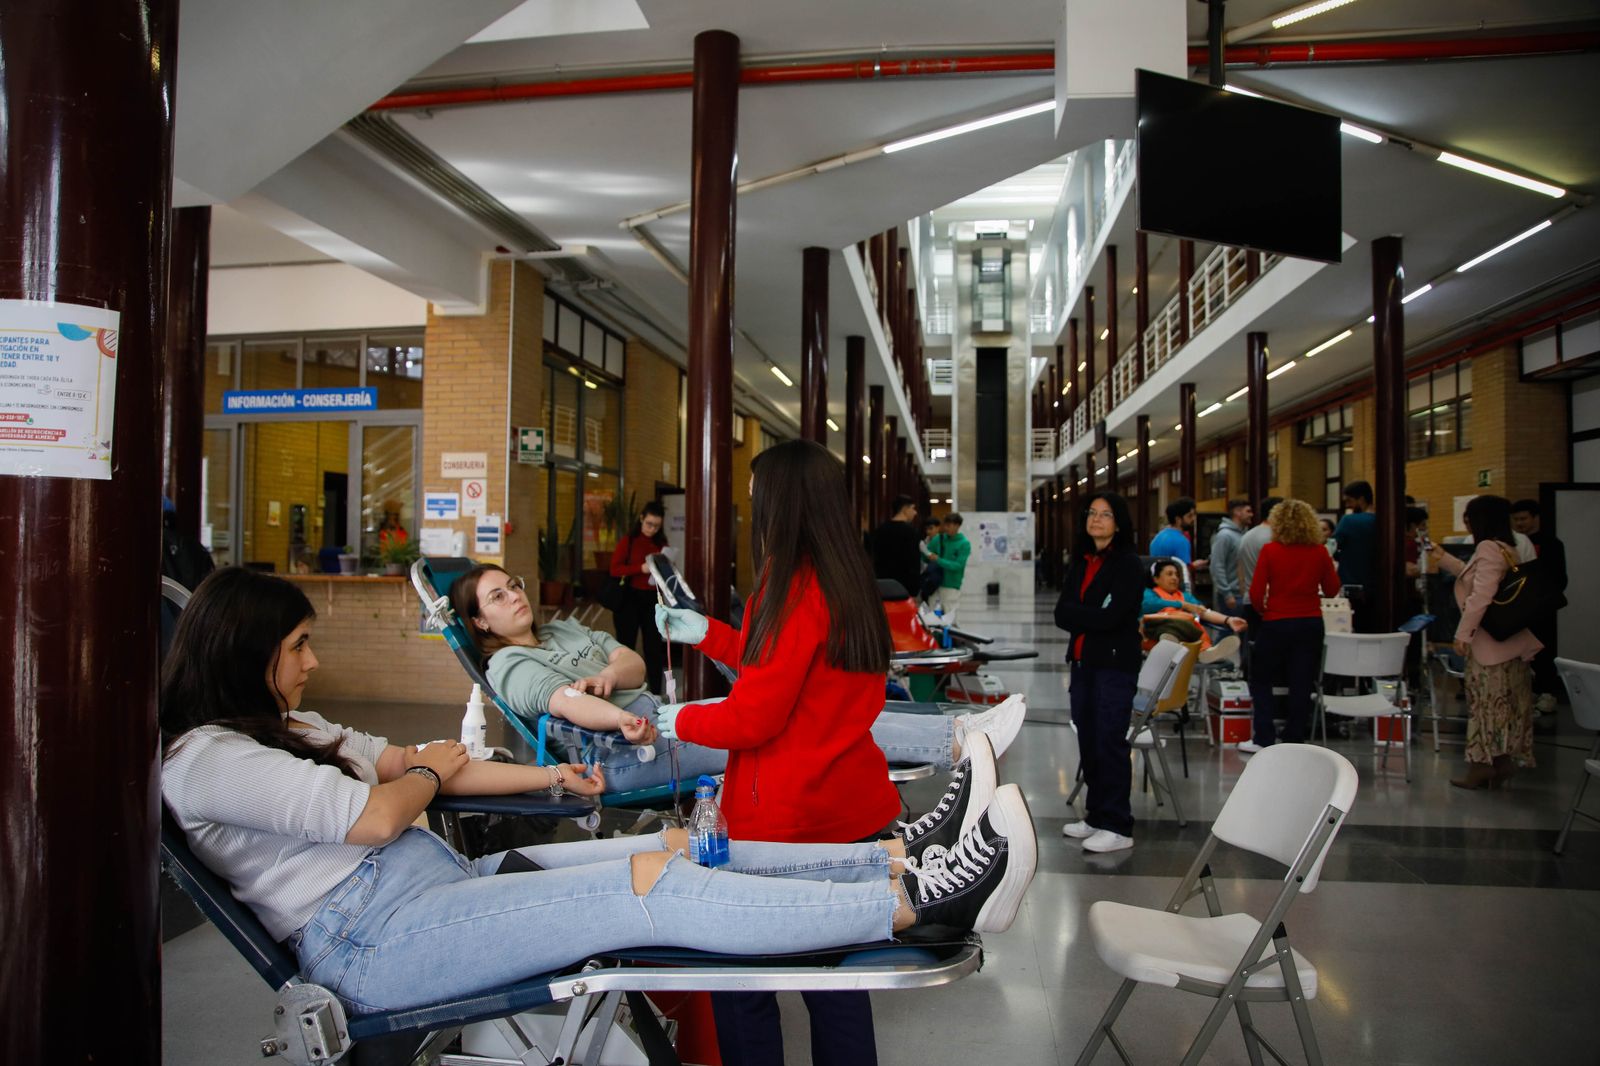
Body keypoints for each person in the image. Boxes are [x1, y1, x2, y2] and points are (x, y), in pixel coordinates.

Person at [159, 567, 1039, 1017]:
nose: (314, 662)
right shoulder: (206, 759)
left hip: (438, 887)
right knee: (647, 891)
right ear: (245, 652)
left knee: (679, 846)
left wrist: (545, 775)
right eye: (298, 646)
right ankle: (917, 909)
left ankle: (899, 860)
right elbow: (385, 807)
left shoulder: (295, 727)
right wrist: (427, 772)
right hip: (374, 942)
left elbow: (406, 765)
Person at [654, 440, 976, 1065]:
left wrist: (682, 719)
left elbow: (755, 715)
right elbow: (783, 664)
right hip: (847, 807)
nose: (751, 505)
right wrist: (710, 634)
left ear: (783, 502)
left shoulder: (792, 586)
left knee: (742, 979)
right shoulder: (844, 577)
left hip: (787, 821)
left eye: (757, 494)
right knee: (838, 984)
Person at [452, 563, 1027, 796]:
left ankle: (958, 734)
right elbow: (566, 705)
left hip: (656, 723)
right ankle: (958, 737)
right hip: (624, 753)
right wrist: (624, 717)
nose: (514, 597)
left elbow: (633, 662)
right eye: (497, 597)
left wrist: (608, 674)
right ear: (480, 622)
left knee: (802, 714)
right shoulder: (509, 666)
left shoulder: (561, 630)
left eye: (514, 585)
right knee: (792, 725)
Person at [1430, 496, 1542, 789]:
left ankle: (1480, 766)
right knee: (1505, 707)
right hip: (1511, 644)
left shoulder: (1488, 548)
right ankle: (1502, 762)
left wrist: (1462, 634)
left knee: (1484, 707)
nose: (1467, 524)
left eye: (1469, 519)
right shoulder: (1508, 548)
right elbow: (1477, 579)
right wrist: (1445, 559)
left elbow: (1481, 595)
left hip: (1489, 646)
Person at [1055, 493, 1145, 854]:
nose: (1096, 519)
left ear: (1118, 523)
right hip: (1082, 664)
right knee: (1089, 740)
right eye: (1092, 513)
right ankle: (1095, 815)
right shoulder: (1082, 561)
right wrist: (1092, 613)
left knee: (1109, 741)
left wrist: (1082, 613)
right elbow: (1061, 613)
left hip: (1114, 666)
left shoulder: (1127, 564)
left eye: (1105, 514)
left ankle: (1118, 824)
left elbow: (1114, 617)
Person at [1242, 500, 1341, 755]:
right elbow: (1332, 589)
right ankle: (1294, 737)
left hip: (1276, 622)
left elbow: (1255, 593)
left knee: (1261, 679)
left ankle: (1264, 737)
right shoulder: (1319, 551)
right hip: (1310, 622)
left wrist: (1265, 611)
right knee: (1302, 682)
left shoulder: (1270, 550)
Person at [1510, 498, 1568, 713]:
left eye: (1523, 518)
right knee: (1522, 649)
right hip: (1520, 607)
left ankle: (1547, 692)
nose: (1520, 523)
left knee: (1544, 648)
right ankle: (1528, 690)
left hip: (1543, 606)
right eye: (1516, 519)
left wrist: (1543, 596)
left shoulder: (1551, 543)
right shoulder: (1512, 543)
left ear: (1535, 518)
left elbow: (1560, 578)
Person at [608, 500, 669, 693]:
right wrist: (640, 569)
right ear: (641, 519)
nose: (652, 529)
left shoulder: (660, 543)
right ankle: (625, 690)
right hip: (629, 598)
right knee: (626, 646)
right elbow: (614, 569)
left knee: (654, 648)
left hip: (652, 597)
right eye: (649, 524)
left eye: (656, 526)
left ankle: (656, 692)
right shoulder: (629, 541)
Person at [1142, 558, 1246, 664]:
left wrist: (1228, 620)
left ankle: (1205, 652)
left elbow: (1204, 612)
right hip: (1155, 636)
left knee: (1192, 623)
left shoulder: (1185, 596)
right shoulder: (1148, 594)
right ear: (1156, 579)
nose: (1175, 578)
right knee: (1176, 618)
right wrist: (1183, 605)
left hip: (1184, 636)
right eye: (1169, 574)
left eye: (1177, 574)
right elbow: (1148, 605)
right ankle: (1175, 645)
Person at [1333, 481, 1376, 631]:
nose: (1347, 506)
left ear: (1361, 499)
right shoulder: (1382, 520)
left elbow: (1333, 547)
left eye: (1349, 501)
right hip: (1377, 586)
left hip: (1351, 584)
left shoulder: (1349, 520)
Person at [868, 494, 924, 599]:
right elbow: (914, 562)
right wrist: (915, 588)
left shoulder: (880, 530)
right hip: (904, 588)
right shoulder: (911, 532)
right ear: (905, 509)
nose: (915, 512)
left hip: (882, 586)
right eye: (913, 508)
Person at [924, 512, 972, 621]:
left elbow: (958, 565)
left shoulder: (964, 544)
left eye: (949, 525)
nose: (945, 528)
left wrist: (938, 560)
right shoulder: (939, 539)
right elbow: (926, 556)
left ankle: (950, 632)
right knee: (932, 617)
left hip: (951, 585)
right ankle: (935, 632)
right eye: (945, 525)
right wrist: (925, 552)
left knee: (950, 617)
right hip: (934, 583)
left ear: (957, 526)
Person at [1209, 498, 1252, 614]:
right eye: (1248, 511)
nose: (1251, 515)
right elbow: (1217, 565)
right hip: (1232, 596)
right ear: (1237, 512)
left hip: (1244, 594)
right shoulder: (1224, 536)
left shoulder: (1245, 534)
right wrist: (1227, 594)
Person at [1148, 497, 1196, 564]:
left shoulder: (1157, 537)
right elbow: (1184, 568)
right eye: (1189, 516)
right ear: (1178, 519)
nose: (1193, 519)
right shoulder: (1181, 541)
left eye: (1194, 514)